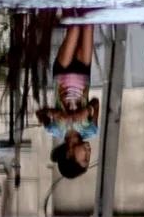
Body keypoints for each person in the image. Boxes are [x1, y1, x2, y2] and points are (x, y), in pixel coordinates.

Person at [39, 22, 102, 180]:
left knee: (74, 28)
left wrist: (55, 113)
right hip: (83, 72)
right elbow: (96, 103)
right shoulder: (91, 130)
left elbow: (40, 113)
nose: (89, 153)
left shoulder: (55, 129)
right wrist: (87, 110)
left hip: (62, 72)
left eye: (84, 159)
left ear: (69, 154)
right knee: (88, 25)